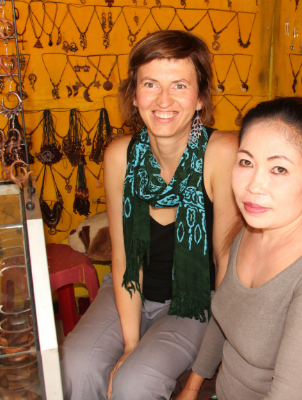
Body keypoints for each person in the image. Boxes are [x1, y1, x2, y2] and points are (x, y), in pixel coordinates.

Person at [59, 30, 240, 400]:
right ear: (134, 94)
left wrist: (220, 351)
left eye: (179, 85)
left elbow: (225, 262)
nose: (163, 100)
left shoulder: (221, 151)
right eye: (150, 84)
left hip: (194, 302)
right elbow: (124, 257)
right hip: (130, 290)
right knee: (75, 363)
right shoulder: (119, 155)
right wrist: (130, 344)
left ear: (201, 97)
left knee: (135, 382)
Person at [176, 97, 302, 400]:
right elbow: (225, 314)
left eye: (279, 169)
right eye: (246, 162)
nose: (254, 185)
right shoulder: (252, 229)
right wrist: (191, 386)